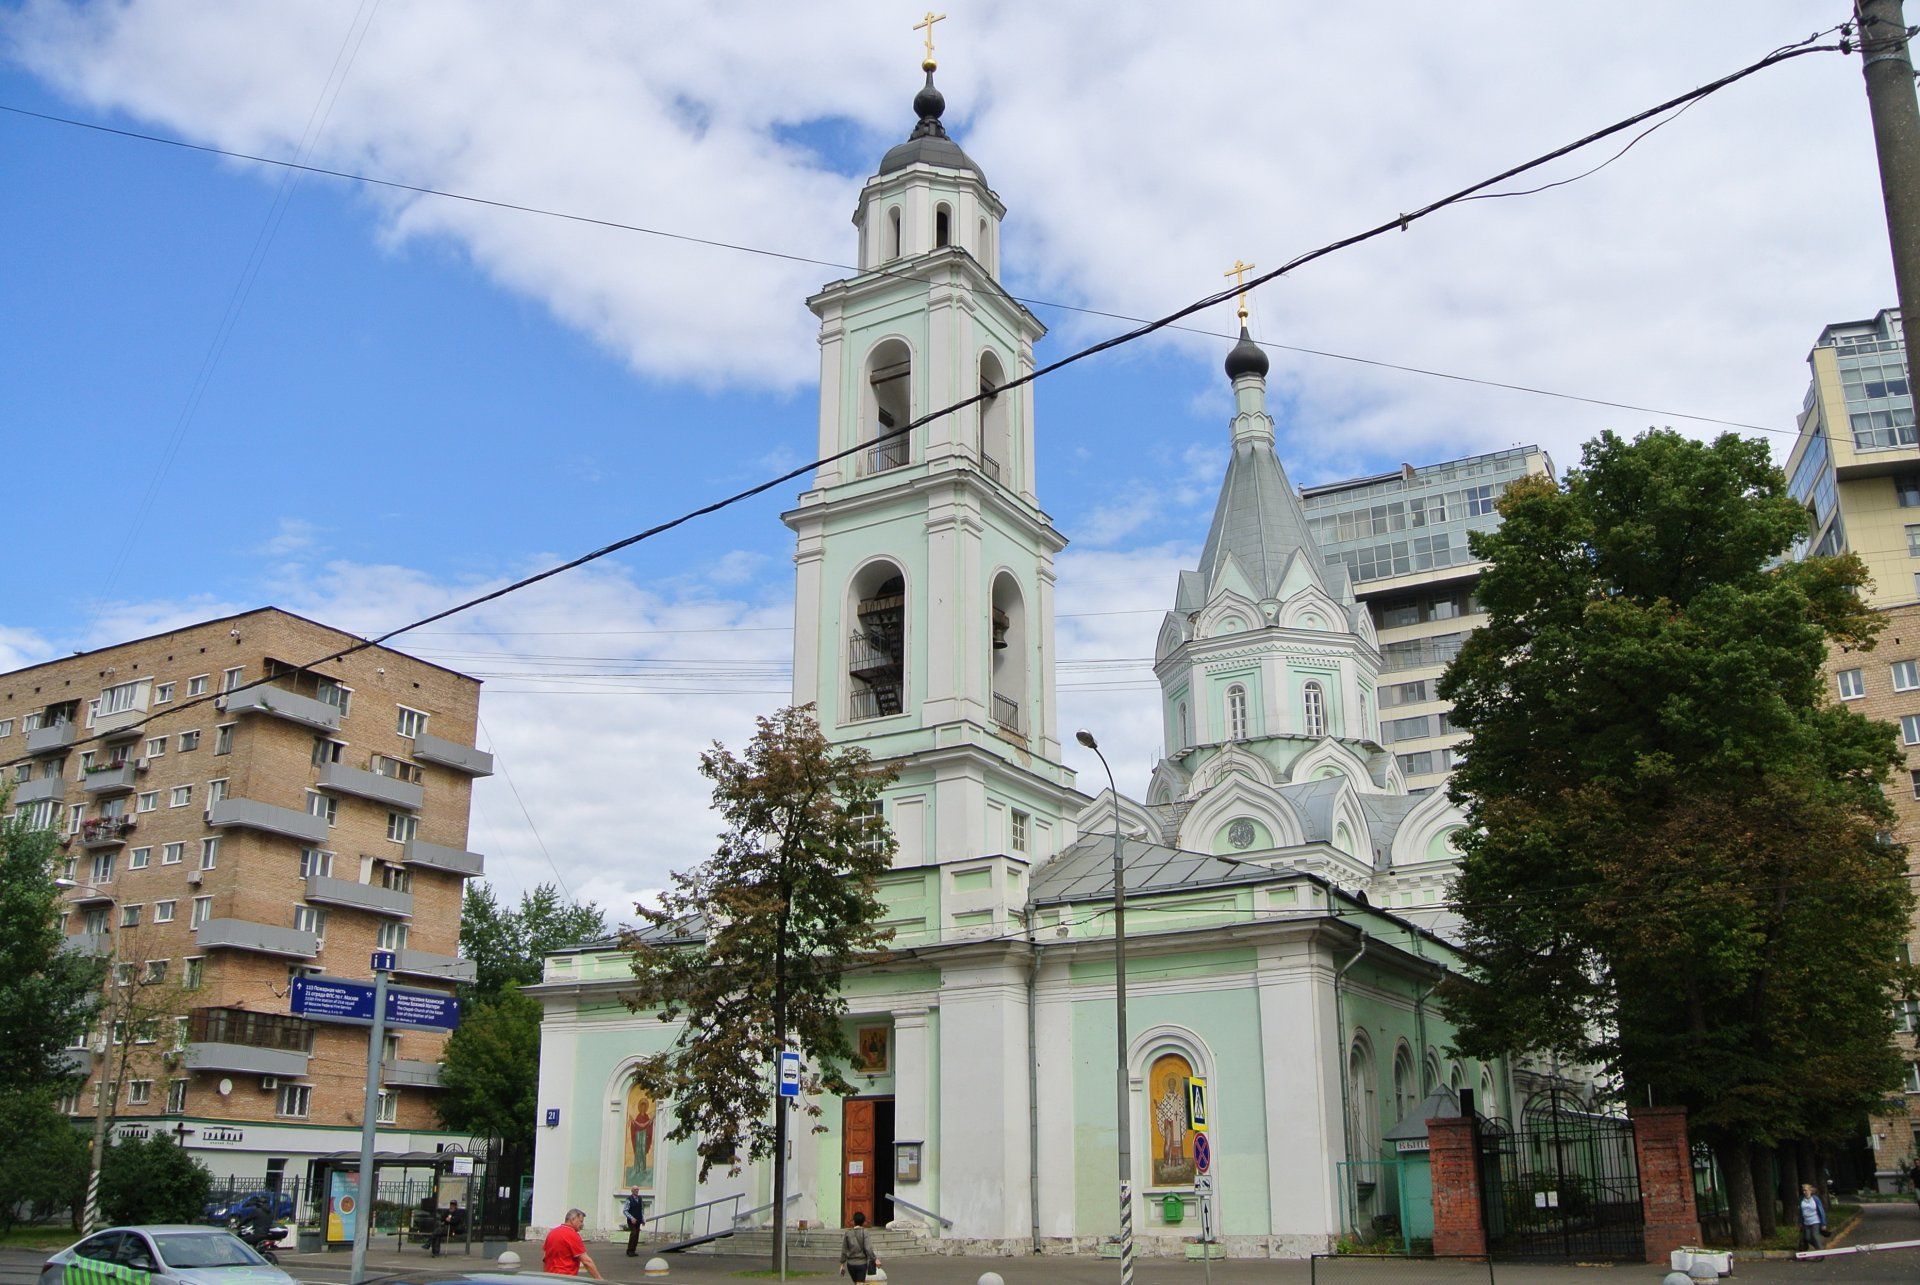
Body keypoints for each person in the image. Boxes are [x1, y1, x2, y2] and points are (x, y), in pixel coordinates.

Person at [543, 1208, 602, 1279]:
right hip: (565, 1278)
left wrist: (545, 1276)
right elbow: (586, 1261)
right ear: (572, 1219)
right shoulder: (572, 1235)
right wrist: (599, 1279)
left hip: (550, 1277)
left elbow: (545, 1258)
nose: (582, 1225)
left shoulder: (552, 1233)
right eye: (581, 1221)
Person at [838, 1211, 878, 1284]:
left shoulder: (848, 1233)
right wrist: (875, 1259)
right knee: (859, 1283)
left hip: (850, 1265)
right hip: (861, 1264)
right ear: (863, 1222)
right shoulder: (865, 1232)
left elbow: (844, 1250)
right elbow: (868, 1248)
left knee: (856, 1283)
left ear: (854, 1221)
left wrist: (842, 1265)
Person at [1797, 1182, 1828, 1253]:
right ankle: (1819, 1248)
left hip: (1815, 1221)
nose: (1804, 1192)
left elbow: (1821, 1211)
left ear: (1810, 1191)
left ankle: (1820, 1253)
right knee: (1807, 1238)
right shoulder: (1801, 1199)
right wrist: (1800, 1222)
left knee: (1815, 1236)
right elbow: (1800, 1212)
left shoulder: (1815, 1199)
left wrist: (1823, 1223)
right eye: (1803, 1190)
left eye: (1806, 1190)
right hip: (1806, 1222)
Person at [623, 1187, 647, 1257]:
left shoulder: (640, 1198)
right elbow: (625, 1211)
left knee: (637, 1235)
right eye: (635, 1190)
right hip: (631, 1220)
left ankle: (633, 1250)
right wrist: (631, 1218)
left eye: (637, 1190)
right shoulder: (629, 1199)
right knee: (633, 1233)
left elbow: (641, 1210)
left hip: (638, 1220)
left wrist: (643, 1219)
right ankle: (629, 1250)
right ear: (632, 1191)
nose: (637, 1191)